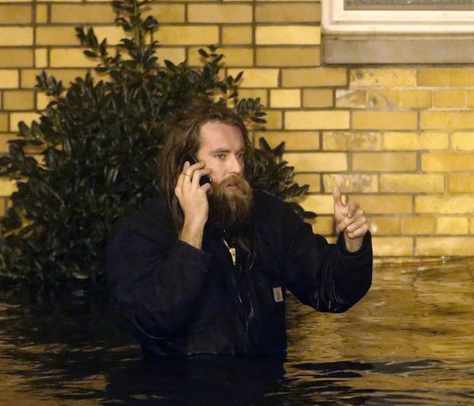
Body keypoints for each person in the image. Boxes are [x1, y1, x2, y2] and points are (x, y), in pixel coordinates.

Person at [107, 101, 372, 357]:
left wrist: (352, 246)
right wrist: (192, 230)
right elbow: (154, 320)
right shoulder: (142, 230)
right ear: (187, 166)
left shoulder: (270, 217)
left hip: (265, 392)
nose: (236, 167)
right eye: (221, 156)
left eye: (240, 155)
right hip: (185, 394)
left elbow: (331, 292)